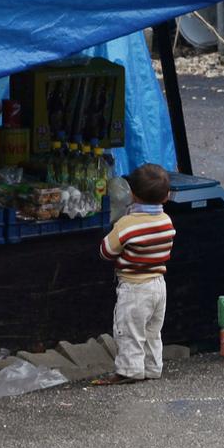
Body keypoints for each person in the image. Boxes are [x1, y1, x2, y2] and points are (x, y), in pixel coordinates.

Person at [92, 163, 175, 385]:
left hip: (134, 287)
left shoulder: (127, 224)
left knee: (129, 331)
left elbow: (106, 251)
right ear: (166, 197)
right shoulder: (167, 222)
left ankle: (129, 371)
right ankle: (152, 367)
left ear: (132, 194)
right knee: (151, 331)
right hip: (159, 285)